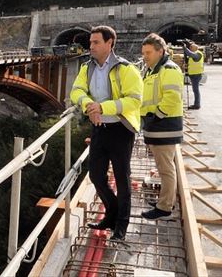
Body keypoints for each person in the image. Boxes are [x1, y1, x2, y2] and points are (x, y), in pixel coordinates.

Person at [70, 25, 143, 242]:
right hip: (99, 129)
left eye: (95, 42)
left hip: (121, 129)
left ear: (109, 43)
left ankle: (121, 226)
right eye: (90, 42)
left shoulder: (126, 69)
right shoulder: (87, 68)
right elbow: (76, 91)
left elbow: (135, 100)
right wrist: (88, 105)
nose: (90, 46)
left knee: (122, 178)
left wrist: (103, 108)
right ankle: (111, 213)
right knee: (96, 175)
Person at [139, 33, 184, 220]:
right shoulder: (152, 70)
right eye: (143, 53)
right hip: (156, 127)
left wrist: (156, 116)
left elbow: (173, 97)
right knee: (162, 167)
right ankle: (163, 201)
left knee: (166, 169)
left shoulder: (169, 69)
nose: (145, 56)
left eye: (148, 52)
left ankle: (164, 208)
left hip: (164, 126)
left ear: (161, 51)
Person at [184, 42, 204, 110]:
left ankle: (197, 104)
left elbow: (190, 54)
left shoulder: (198, 54)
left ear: (195, 48)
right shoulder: (194, 54)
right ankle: (196, 104)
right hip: (193, 74)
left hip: (196, 75)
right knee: (195, 90)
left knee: (196, 90)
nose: (190, 48)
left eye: (191, 47)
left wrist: (185, 48)